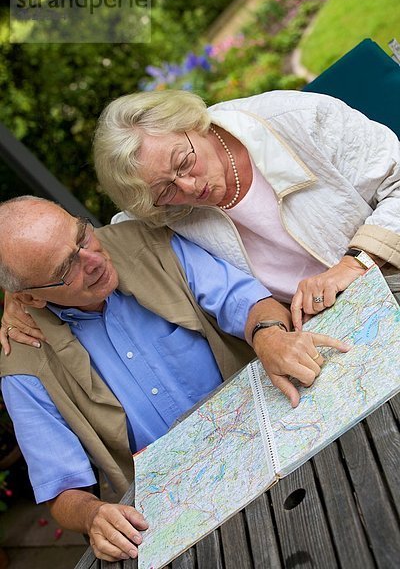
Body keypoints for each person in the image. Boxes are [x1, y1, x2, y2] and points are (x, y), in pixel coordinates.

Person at [0, 196, 348, 562]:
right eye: (67, 266)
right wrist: (92, 514)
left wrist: (269, 335)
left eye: (81, 235)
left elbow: (243, 301)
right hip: (187, 512)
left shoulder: (145, 241)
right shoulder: (22, 364)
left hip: (276, 437)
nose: (92, 259)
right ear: (28, 298)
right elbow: (61, 488)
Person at [93, 89, 400, 330]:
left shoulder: (296, 118)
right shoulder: (164, 211)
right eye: (166, 189)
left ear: (191, 123)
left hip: (389, 276)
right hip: (331, 325)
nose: (188, 187)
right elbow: (101, 244)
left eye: (184, 163)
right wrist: (46, 311)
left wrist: (354, 264)